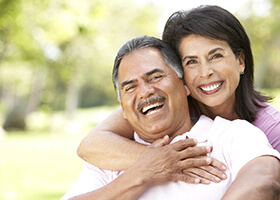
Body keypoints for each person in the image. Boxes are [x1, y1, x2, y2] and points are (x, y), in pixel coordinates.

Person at [77, 5, 280, 183]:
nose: (205, 72)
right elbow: (90, 145)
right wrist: (167, 160)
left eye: (216, 56)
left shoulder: (270, 128)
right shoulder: (169, 104)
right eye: (191, 62)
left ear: (240, 61)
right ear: (178, 74)